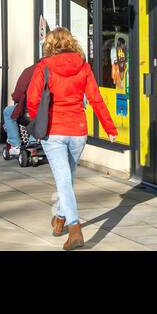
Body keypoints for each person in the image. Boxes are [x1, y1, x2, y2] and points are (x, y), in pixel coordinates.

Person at [24, 27, 117, 251]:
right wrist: (110, 128)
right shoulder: (83, 66)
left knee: (64, 180)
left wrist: (39, 119)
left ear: (50, 45)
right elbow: (95, 99)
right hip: (78, 131)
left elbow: (32, 100)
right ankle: (59, 218)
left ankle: (75, 229)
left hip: (54, 132)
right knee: (67, 179)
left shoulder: (44, 67)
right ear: (71, 43)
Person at [3, 61, 42, 157]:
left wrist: (16, 99)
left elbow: (18, 93)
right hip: (51, 110)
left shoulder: (30, 71)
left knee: (8, 112)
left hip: (31, 107)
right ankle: (33, 141)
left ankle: (15, 144)